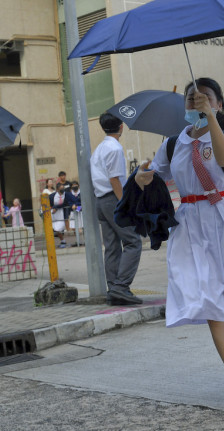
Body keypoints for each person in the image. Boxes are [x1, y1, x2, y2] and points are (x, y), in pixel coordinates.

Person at [135, 78, 224, 417]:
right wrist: (142, 177)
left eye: (206, 98)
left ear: (220, 105)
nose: (198, 103)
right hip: (191, 225)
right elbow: (155, 174)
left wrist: (210, 121)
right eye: (192, 100)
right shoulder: (172, 143)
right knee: (212, 307)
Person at [90, 112, 143, 306]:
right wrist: (124, 204)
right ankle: (121, 287)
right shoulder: (114, 148)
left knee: (112, 247)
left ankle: (114, 289)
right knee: (133, 242)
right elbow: (114, 179)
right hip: (113, 199)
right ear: (121, 127)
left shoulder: (100, 149)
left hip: (101, 200)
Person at [49, 183, 68, 248]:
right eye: (61, 189)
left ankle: (64, 240)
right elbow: (49, 205)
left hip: (63, 214)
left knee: (58, 229)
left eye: (63, 189)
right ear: (57, 190)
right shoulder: (52, 196)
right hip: (54, 215)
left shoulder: (66, 195)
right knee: (55, 229)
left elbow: (68, 204)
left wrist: (57, 207)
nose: (62, 190)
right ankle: (62, 241)